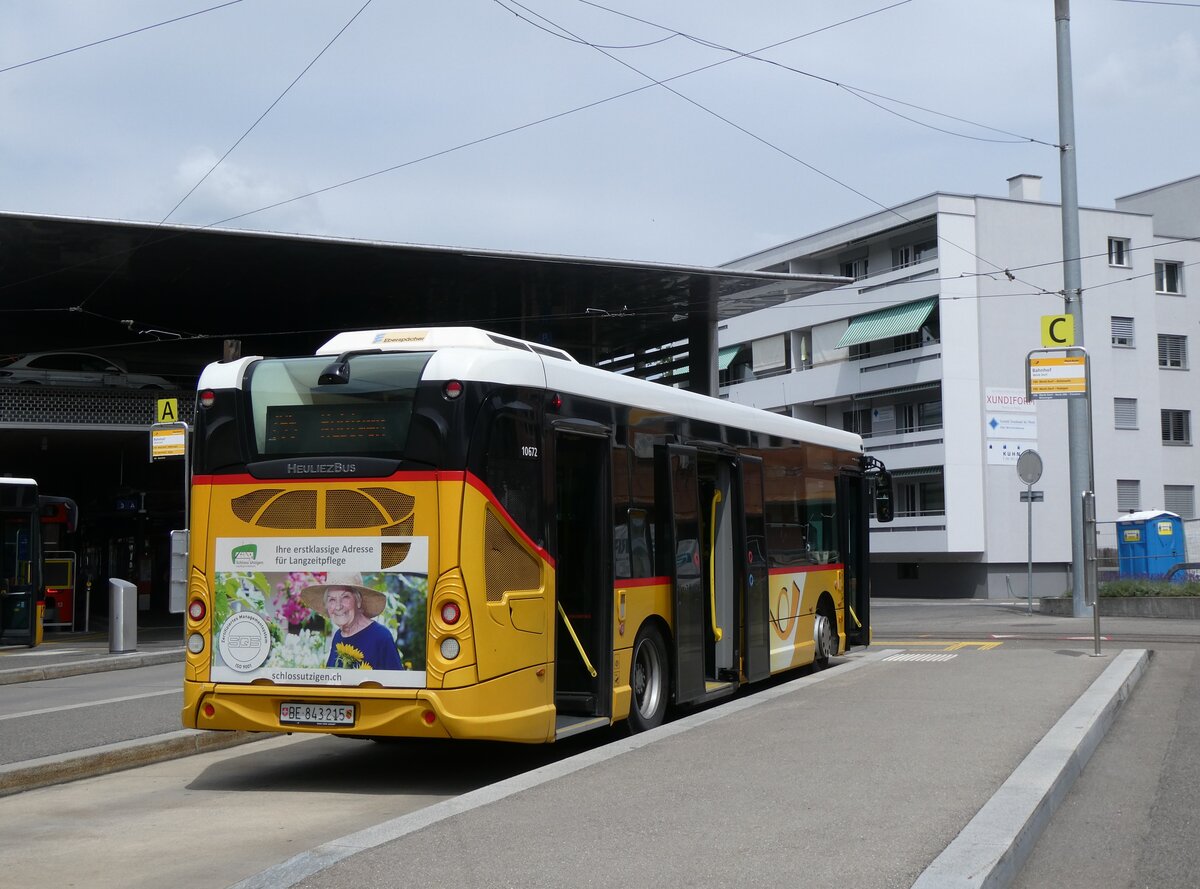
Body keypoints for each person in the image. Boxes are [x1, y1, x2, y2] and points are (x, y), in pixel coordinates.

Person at [300, 573, 402, 671]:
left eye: (345, 597)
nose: (338, 606)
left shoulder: (381, 636)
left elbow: (397, 685)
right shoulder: (338, 636)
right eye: (331, 599)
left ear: (358, 601)